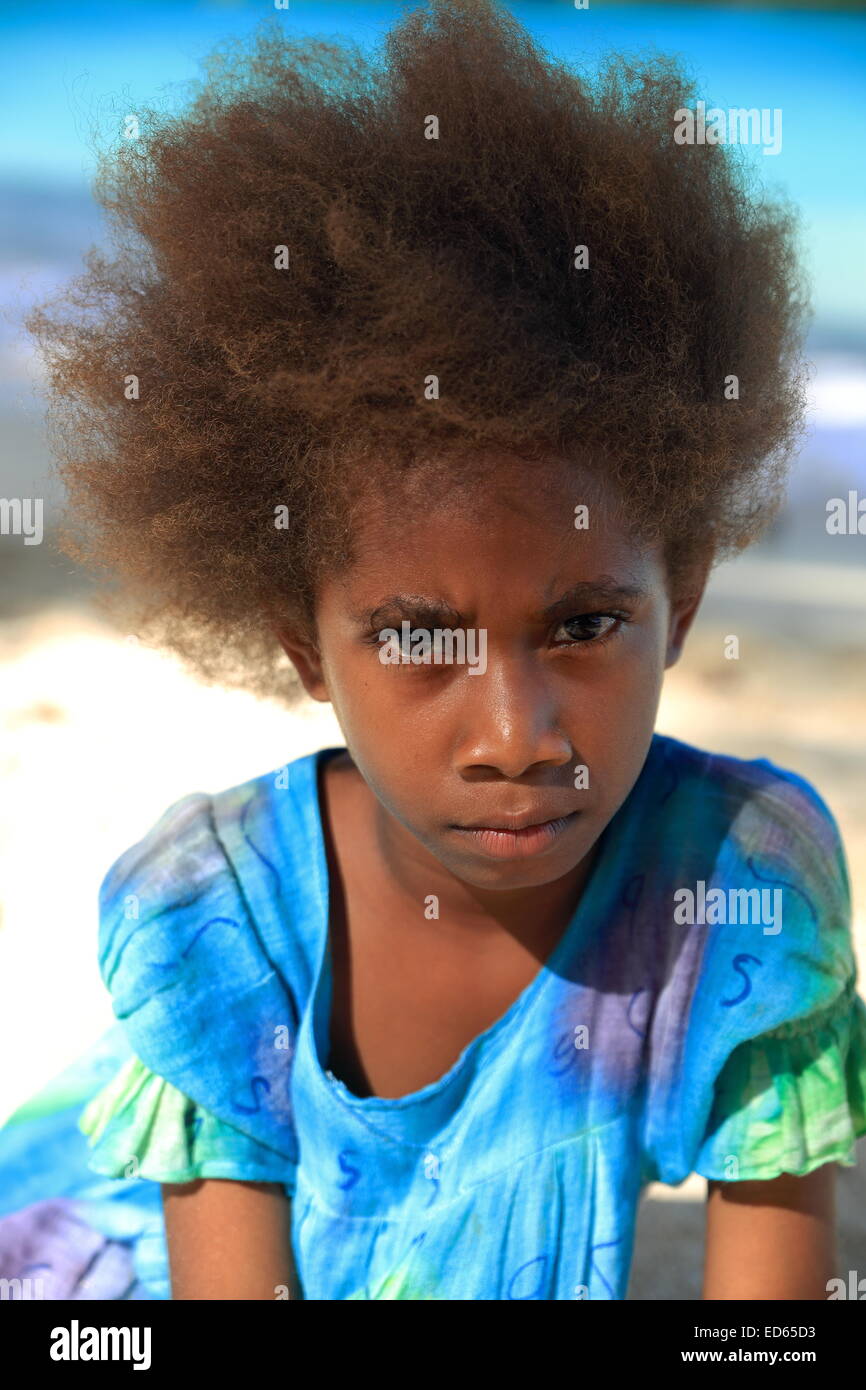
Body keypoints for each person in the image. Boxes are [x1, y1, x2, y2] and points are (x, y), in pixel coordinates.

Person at [2, 0, 865, 1301]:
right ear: (300, 638)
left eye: (582, 624)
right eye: (416, 636)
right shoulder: (217, 919)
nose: (518, 735)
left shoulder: (738, 895)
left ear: (680, 593)